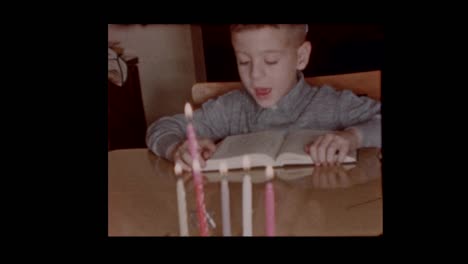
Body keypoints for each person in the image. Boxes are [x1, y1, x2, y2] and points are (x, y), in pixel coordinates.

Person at [146, 24, 381, 171]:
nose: (255, 75)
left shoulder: (333, 104)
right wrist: (177, 148)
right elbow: (161, 128)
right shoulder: (232, 108)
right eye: (244, 61)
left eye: (271, 61)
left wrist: (353, 137)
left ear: (301, 57)